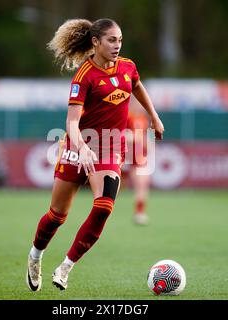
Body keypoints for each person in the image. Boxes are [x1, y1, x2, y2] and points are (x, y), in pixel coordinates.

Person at [26, 18, 164, 292]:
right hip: (79, 148)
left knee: (103, 208)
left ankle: (66, 267)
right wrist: (82, 148)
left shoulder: (128, 67)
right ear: (95, 42)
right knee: (57, 216)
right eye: (111, 40)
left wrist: (154, 116)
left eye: (120, 40)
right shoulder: (84, 76)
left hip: (110, 149)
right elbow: (71, 124)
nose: (117, 45)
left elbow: (136, 85)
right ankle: (35, 256)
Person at [124, 95, 151, 225]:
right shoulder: (127, 117)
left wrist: (148, 144)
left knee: (142, 185)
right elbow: (121, 133)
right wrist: (134, 137)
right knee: (114, 187)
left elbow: (145, 137)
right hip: (125, 156)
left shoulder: (144, 119)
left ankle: (140, 213)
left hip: (139, 157)